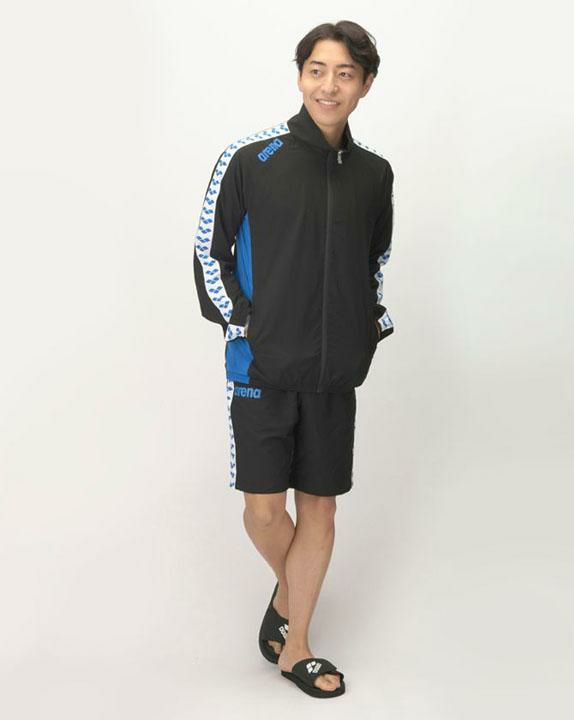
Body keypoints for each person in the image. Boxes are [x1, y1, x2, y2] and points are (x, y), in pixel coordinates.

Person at [193, 20, 395, 698]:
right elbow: (209, 253)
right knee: (261, 511)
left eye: (345, 73)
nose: (328, 85)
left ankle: (297, 645)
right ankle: (290, 595)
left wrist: (367, 326)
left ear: (365, 84)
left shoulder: (374, 174)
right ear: (300, 75)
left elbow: (374, 262)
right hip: (261, 368)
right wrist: (251, 325)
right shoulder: (252, 158)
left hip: (335, 374)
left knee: (321, 512)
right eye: (317, 70)